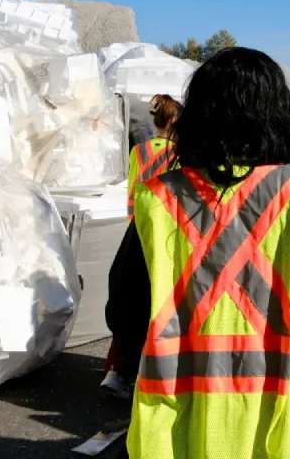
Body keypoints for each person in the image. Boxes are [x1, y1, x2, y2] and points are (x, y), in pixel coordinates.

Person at [107, 47, 290, 459]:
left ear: (197, 117)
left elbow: (124, 311)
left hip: (181, 431)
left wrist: (139, 369)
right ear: (279, 115)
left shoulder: (158, 200)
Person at [102, 93, 182, 399]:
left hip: (137, 227)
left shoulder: (139, 151)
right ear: (174, 121)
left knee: (129, 296)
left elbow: (133, 189)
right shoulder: (178, 153)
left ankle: (118, 368)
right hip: (165, 230)